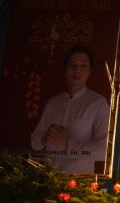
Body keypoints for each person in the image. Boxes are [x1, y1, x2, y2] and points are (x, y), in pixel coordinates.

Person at [30, 45, 110, 175]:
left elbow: (104, 150)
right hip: (48, 178)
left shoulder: (98, 103)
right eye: (72, 65)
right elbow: (35, 141)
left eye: (83, 65)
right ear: (65, 70)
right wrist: (45, 138)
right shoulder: (53, 102)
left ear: (90, 72)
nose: (77, 69)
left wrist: (68, 144)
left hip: (79, 182)